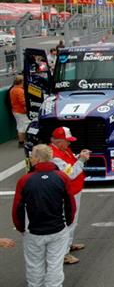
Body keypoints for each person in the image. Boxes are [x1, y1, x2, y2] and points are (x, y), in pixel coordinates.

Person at [12, 144, 76, 287]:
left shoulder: (24, 180)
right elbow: (70, 204)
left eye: (32, 156)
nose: (30, 158)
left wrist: (21, 228)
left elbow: (17, 208)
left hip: (34, 231)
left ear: (37, 159)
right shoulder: (62, 177)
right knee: (55, 265)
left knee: (34, 265)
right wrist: (68, 222)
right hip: (58, 229)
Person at [49, 127, 90, 265]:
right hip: (68, 193)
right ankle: (64, 253)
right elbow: (70, 173)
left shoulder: (62, 149)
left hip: (74, 190)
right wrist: (82, 160)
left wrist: (78, 156)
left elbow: (70, 163)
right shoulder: (55, 156)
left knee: (72, 220)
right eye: (67, 141)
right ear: (60, 142)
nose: (69, 144)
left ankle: (68, 244)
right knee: (68, 221)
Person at [9, 75, 28, 147]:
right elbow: (23, 102)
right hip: (21, 111)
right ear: (21, 81)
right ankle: (22, 142)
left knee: (20, 126)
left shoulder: (13, 89)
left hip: (16, 111)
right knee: (24, 127)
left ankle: (21, 142)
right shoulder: (19, 90)